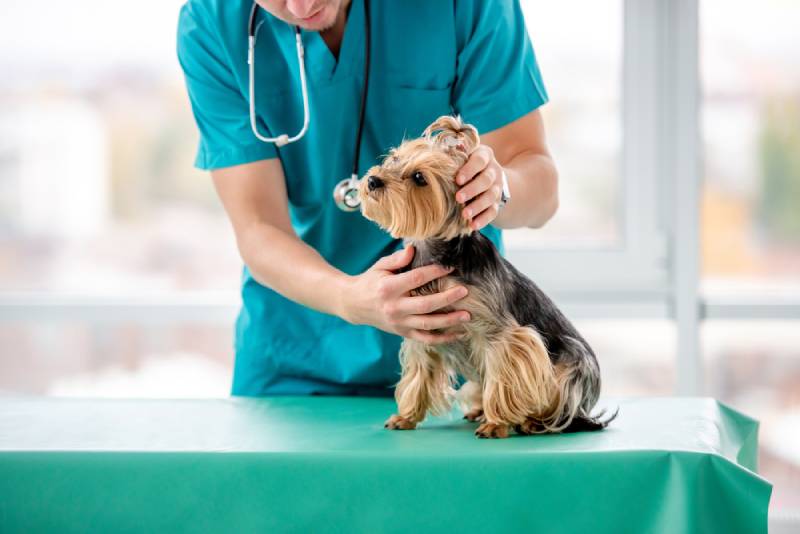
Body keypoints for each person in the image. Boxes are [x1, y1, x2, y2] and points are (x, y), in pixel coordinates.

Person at [176, 0, 559, 396]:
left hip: (461, 359)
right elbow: (258, 228)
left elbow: (543, 194)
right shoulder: (212, 22)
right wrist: (347, 297)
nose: (301, 7)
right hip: (294, 359)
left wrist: (500, 188)